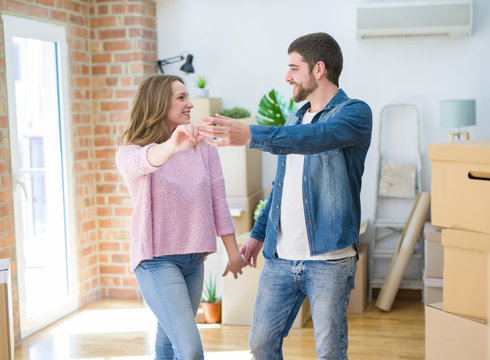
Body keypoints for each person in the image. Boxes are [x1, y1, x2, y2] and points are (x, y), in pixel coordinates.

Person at [198, 32, 372, 359]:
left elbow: (316, 138)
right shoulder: (295, 118)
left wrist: (251, 134)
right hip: (280, 260)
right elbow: (282, 185)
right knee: (261, 346)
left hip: (329, 260)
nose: (287, 76)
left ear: (319, 69)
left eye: (294, 67)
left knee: (330, 353)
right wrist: (258, 235)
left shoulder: (355, 114)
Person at [116, 74, 247, 360]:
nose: (190, 104)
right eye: (181, 98)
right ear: (159, 104)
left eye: (188, 97)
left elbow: (217, 200)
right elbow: (146, 161)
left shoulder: (202, 148)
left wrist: (233, 252)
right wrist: (174, 145)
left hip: (193, 260)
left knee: (168, 343)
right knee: (189, 349)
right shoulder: (130, 153)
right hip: (155, 261)